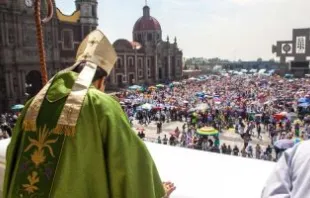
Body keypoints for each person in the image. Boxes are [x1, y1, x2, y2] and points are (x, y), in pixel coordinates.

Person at [3, 30, 175, 198]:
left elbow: (13, 156)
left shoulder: (33, 104)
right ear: (101, 80)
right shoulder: (100, 105)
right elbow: (129, 166)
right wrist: (156, 192)